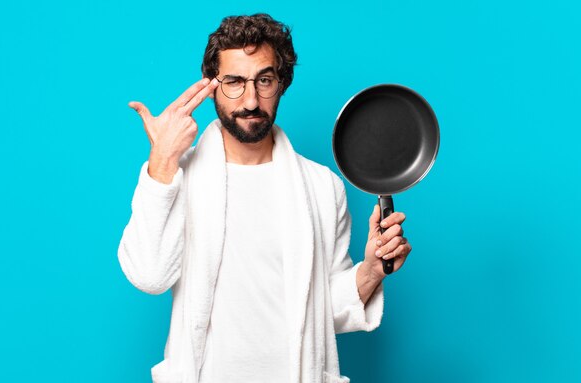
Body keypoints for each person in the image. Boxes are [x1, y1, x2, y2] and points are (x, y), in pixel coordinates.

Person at [118, 13, 412, 383]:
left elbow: (326, 314)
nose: (251, 100)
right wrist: (161, 160)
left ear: (282, 83)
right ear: (213, 87)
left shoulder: (322, 187)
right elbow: (149, 276)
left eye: (264, 80)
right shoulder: (177, 177)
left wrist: (370, 270)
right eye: (234, 82)